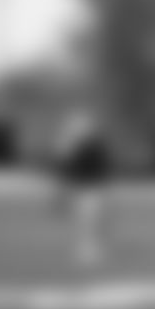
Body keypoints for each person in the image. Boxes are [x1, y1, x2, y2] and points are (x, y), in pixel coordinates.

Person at [50, 111, 111, 270]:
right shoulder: (78, 148)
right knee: (85, 223)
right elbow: (67, 170)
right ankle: (86, 253)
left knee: (89, 223)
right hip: (83, 189)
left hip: (90, 189)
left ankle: (89, 252)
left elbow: (97, 167)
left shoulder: (91, 147)